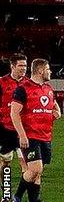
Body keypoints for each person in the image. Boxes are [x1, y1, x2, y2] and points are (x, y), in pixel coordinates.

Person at [10, 58, 61, 202]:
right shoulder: (23, 88)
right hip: (30, 136)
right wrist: (22, 136)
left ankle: (34, 200)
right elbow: (14, 113)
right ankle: (17, 196)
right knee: (35, 169)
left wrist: (57, 113)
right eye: (48, 69)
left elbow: (55, 107)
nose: (50, 72)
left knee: (38, 173)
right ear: (40, 70)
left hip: (46, 136)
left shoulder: (48, 89)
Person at [0, 54, 28, 196]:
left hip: (25, 130)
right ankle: (6, 194)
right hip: (7, 129)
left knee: (28, 165)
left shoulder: (29, 83)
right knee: (6, 163)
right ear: (12, 66)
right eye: (20, 66)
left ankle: (22, 196)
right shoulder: (2, 82)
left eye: (25, 65)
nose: (24, 68)